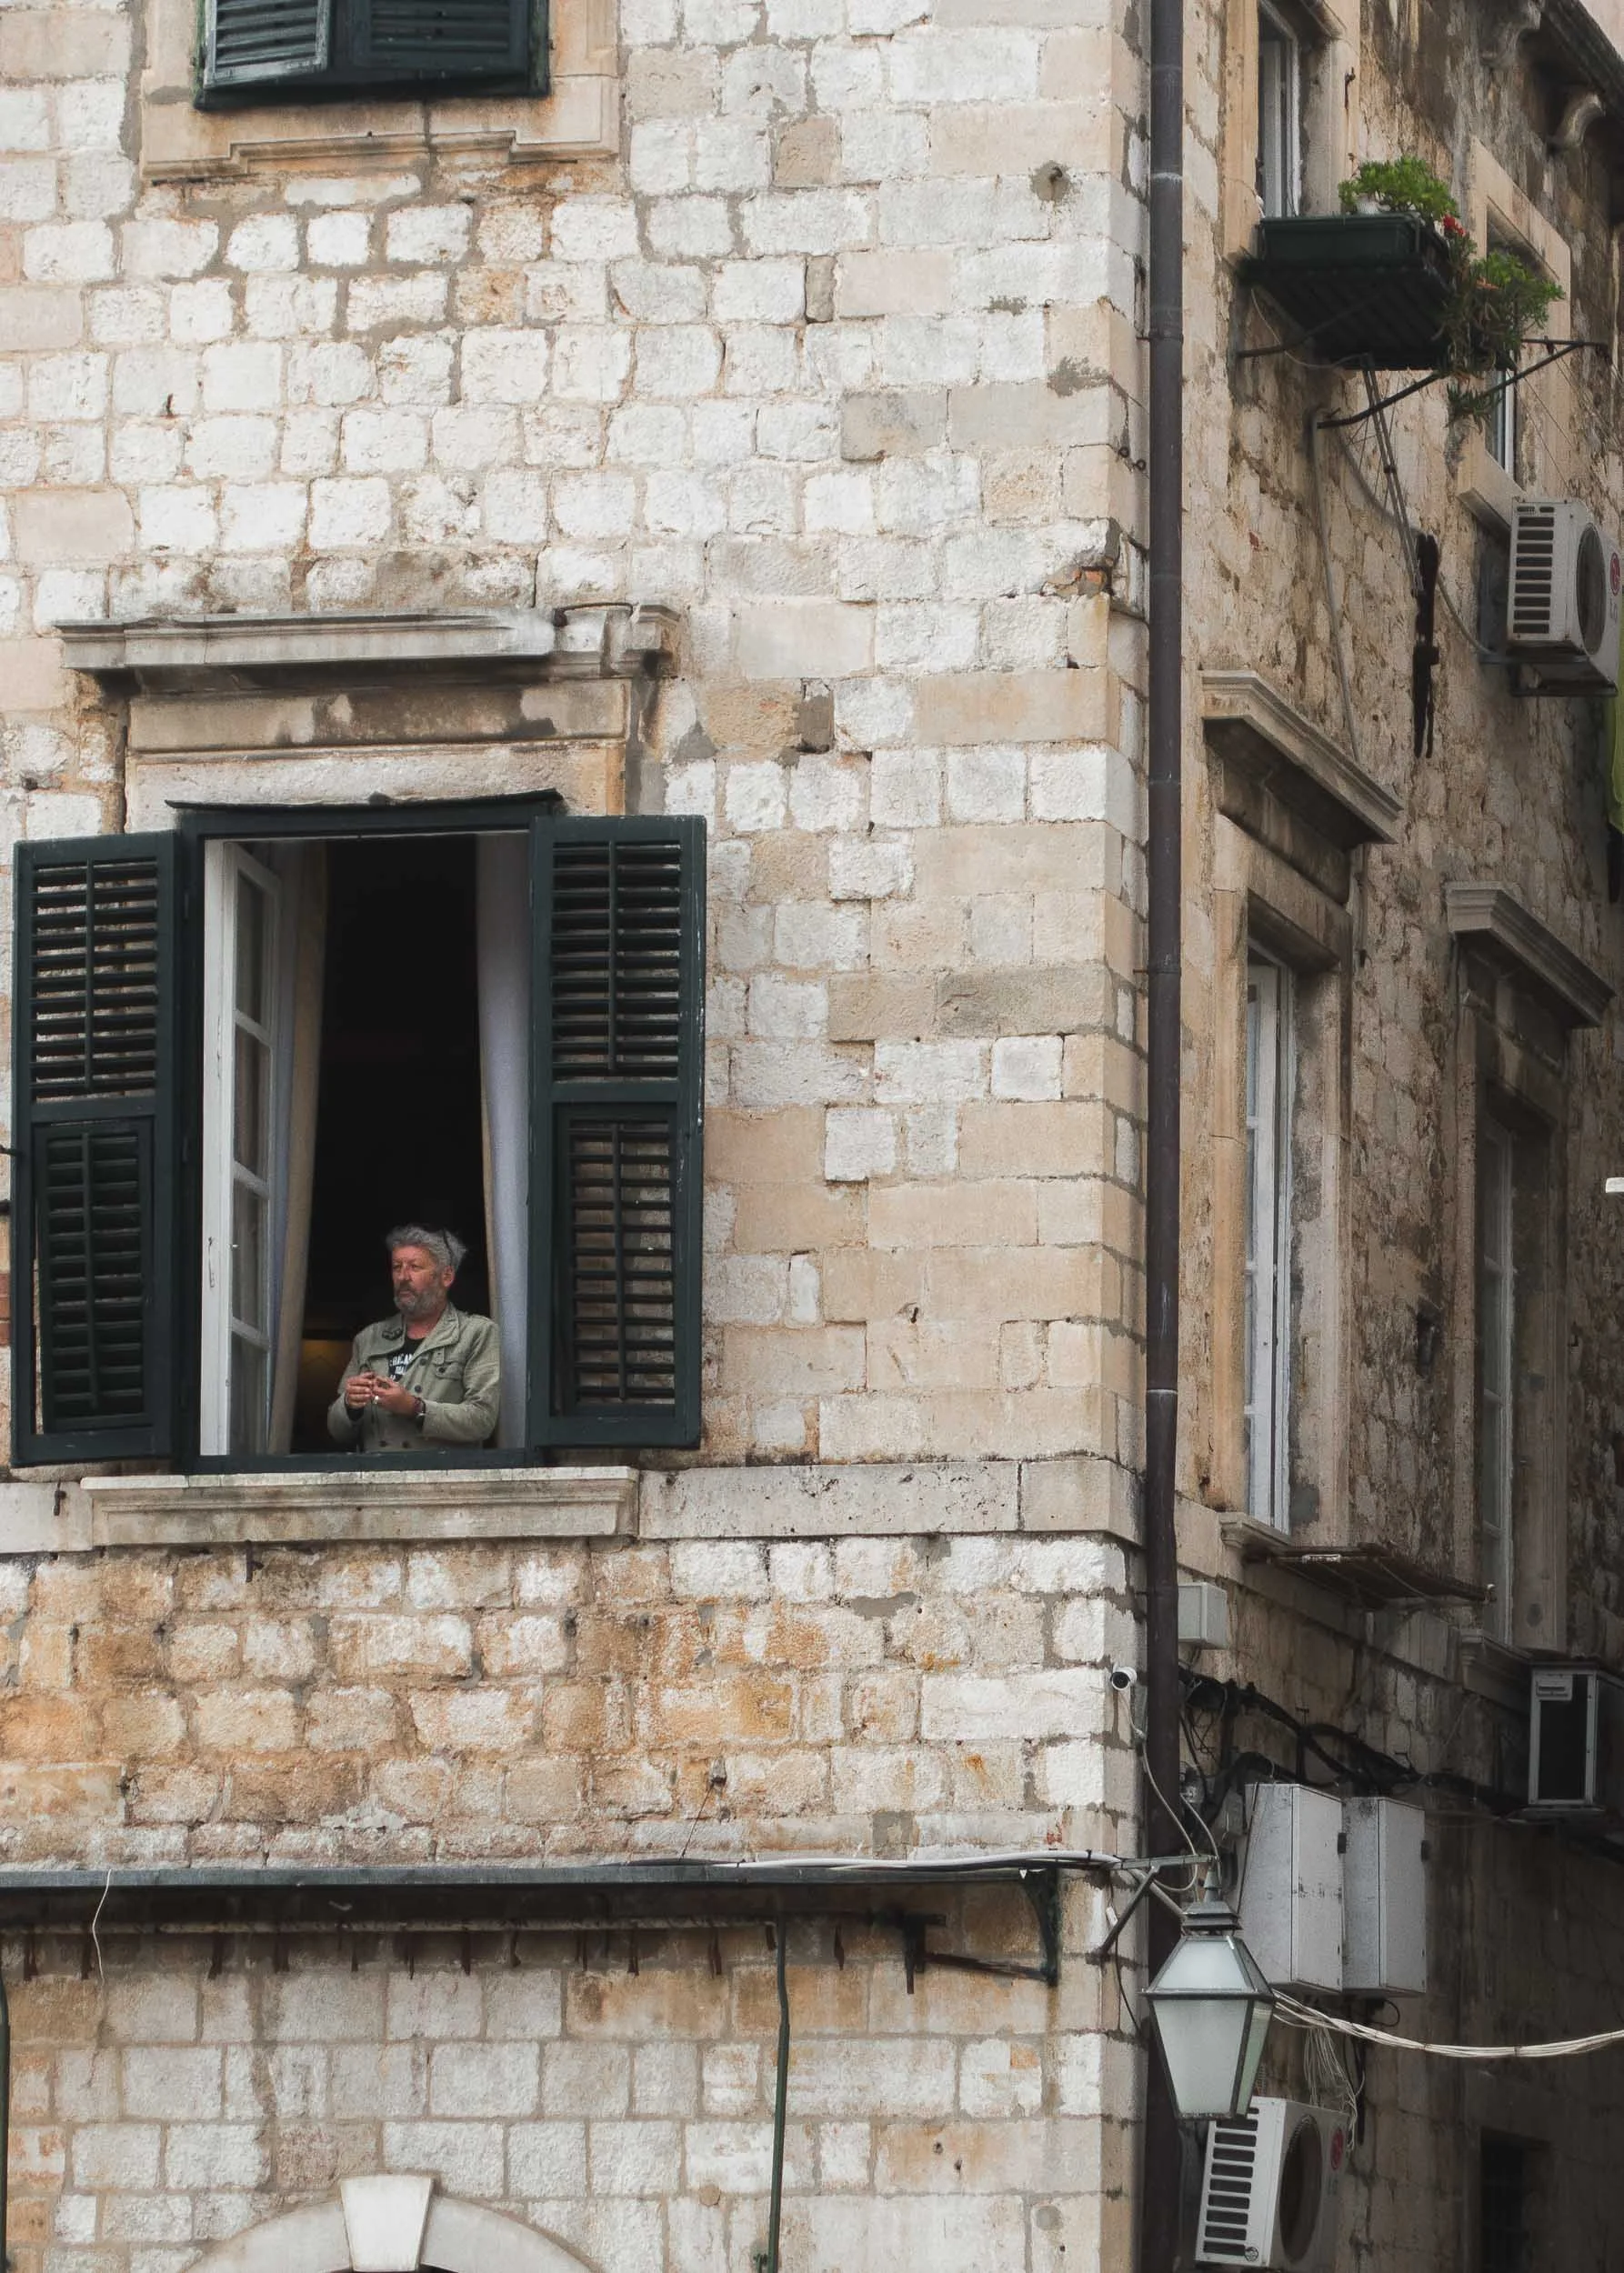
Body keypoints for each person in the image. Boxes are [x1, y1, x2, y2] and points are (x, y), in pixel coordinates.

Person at [328, 1226, 500, 1450]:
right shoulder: (368, 1338)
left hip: (442, 1481)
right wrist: (350, 1405)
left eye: (415, 1267)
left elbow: (482, 1420)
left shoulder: (476, 1333)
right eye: (397, 1267)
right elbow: (336, 1431)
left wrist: (415, 1408)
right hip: (375, 1480)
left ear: (446, 1276)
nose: (403, 1277)